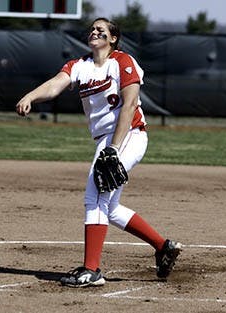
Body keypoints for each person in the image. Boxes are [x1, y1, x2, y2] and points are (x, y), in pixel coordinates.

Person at [16, 17, 182, 288]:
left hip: (128, 135)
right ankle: (163, 247)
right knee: (110, 207)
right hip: (106, 140)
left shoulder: (123, 62)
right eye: (92, 29)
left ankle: (91, 270)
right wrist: (31, 96)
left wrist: (113, 150)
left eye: (101, 30)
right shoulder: (79, 66)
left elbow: (129, 107)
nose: (94, 32)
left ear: (113, 38)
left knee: (95, 196)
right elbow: (56, 84)